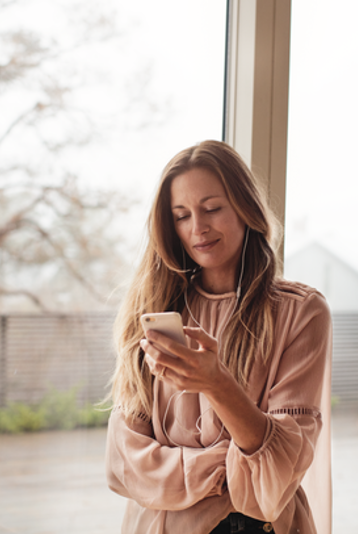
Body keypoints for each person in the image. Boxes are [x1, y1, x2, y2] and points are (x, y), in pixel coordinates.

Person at [106, 140, 332, 534]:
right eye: (182, 216)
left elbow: (276, 478)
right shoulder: (156, 310)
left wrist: (217, 384)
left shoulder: (301, 312)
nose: (198, 228)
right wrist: (226, 469)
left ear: (246, 209)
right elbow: (124, 463)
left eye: (212, 209)